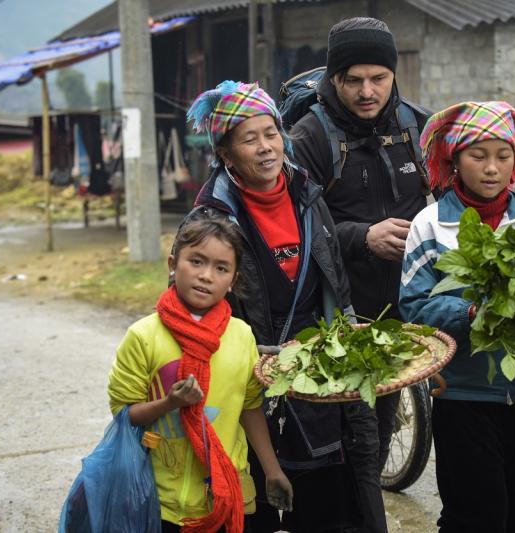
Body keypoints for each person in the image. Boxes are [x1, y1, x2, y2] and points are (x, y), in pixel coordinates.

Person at [183, 80, 373, 532]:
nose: (266, 147)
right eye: (250, 139)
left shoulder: (308, 196)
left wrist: (348, 331)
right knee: (260, 512)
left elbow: (335, 284)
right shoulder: (210, 219)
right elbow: (195, 308)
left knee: (328, 509)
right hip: (251, 390)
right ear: (226, 154)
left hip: (319, 384)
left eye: (271, 133)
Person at [399, 101, 515, 532]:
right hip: (463, 398)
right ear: (454, 159)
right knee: (476, 515)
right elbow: (414, 306)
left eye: (503, 155)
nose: (492, 168)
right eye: (478, 155)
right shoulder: (431, 224)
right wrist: (470, 311)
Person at [289, 16, 431, 485]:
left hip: (404, 308)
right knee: (348, 436)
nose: (367, 91)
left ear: (394, 76)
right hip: (338, 312)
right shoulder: (310, 137)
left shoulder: (418, 129)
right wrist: (362, 237)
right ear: (334, 79)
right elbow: (295, 225)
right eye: (354, 80)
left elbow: (452, 203)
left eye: (379, 78)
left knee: (379, 426)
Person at [108, 216, 292, 532]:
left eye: (221, 268)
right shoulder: (144, 336)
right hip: (163, 500)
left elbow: (250, 408)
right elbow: (125, 414)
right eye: (196, 261)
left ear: (233, 280)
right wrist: (170, 403)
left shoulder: (241, 335)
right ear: (172, 264)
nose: (206, 276)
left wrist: (272, 469)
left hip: (227, 490)